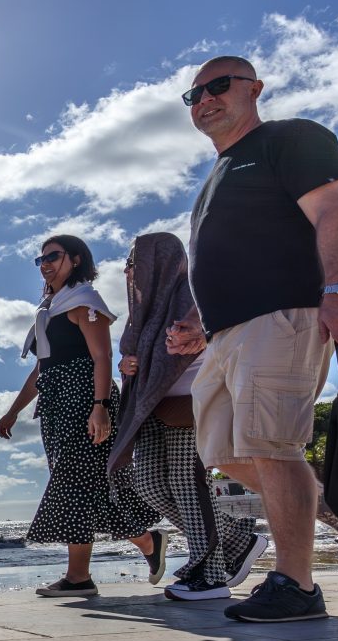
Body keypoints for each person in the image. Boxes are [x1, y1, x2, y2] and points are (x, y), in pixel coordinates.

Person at [168, 55, 338, 622]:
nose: (204, 99)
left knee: (273, 447)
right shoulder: (216, 176)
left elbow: (333, 208)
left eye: (218, 86)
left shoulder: (291, 139)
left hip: (284, 316)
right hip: (228, 334)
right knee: (224, 451)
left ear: (254, 89)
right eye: (195, 94)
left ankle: (296, 586)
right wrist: (202, 329)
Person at [0, 234, 166, 597]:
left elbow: (102, 358)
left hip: (86, 400)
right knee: (88, 489)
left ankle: (80, 577)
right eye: (40, 259)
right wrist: (12, 412)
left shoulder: (84, 302)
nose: (45, 264)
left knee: (74, 485)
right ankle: (146, 544)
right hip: (57, 405)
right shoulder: (50, 309)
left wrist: (101, 408)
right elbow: (42, 370)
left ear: (75, 260)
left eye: (53, 257)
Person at [110, 232, 269, 600]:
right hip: (149, 408)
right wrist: (129, 364)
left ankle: (209, 574)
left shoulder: (194, 295)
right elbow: (139, 354)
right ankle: (238, 539)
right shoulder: (144, 309)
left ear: (161, 261)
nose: (128, 269)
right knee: (149, 486)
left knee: (186, 484)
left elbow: (221, 335)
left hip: (190, 404)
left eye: (136, 261)